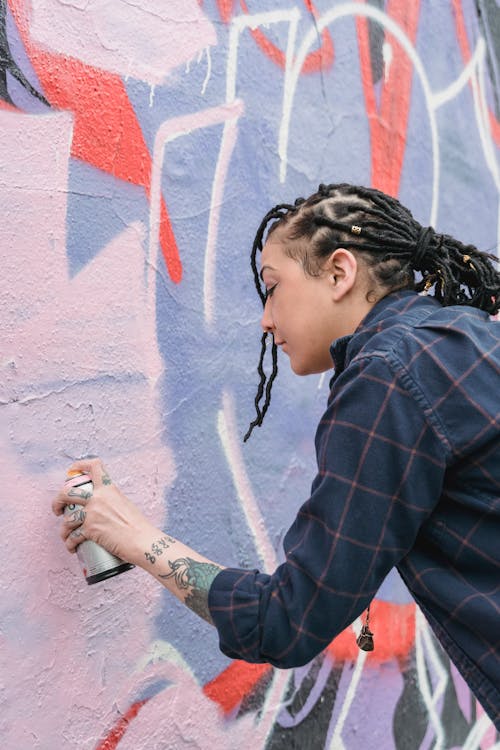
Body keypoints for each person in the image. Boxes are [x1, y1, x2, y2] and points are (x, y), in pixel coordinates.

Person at [53, 183, 500, 729]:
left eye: (273, 287)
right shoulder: (467, 337)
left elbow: (287, 620)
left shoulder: (388, 373)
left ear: (340, 273)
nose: (266, 320)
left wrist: (131, 534)